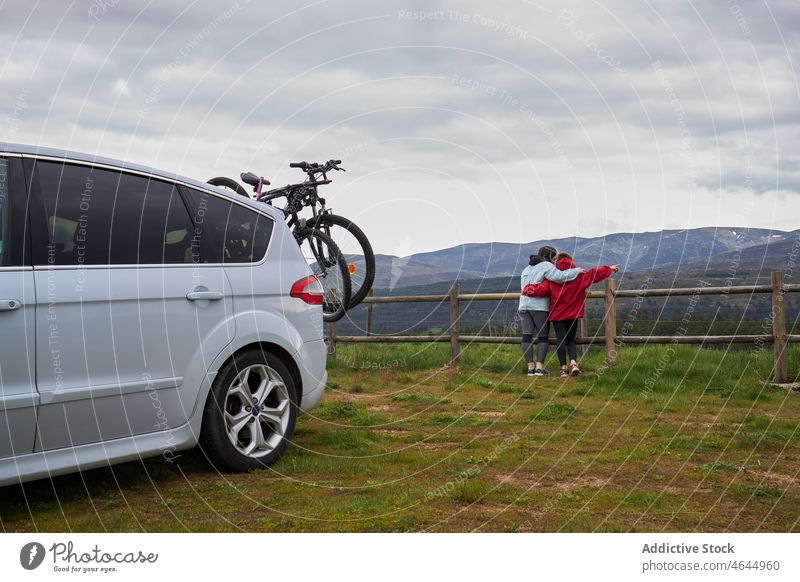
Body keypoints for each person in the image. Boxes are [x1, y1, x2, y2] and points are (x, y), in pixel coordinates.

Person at [523, 253, 619, 377]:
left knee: (561, 340)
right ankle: (573, 363)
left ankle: (563, 369)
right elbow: (595, 273)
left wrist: (526, 289)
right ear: (570, 261)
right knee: (570, 340)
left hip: (557, 315)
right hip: (573, 314)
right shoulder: (579, 275)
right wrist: (609, 269)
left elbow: (541, 289)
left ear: (557, 261)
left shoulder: (553, 278)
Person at [519, 245, 583, 377]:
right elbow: (559, 277)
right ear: (548, 257)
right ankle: (539, 368)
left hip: (523, 305)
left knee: (526, 336)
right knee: (543, 337)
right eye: (554, 258)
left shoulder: (526, 268)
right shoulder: (547, 267)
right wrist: (576, 271)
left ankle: (530, 367)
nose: (555, 261)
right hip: (539, 307)